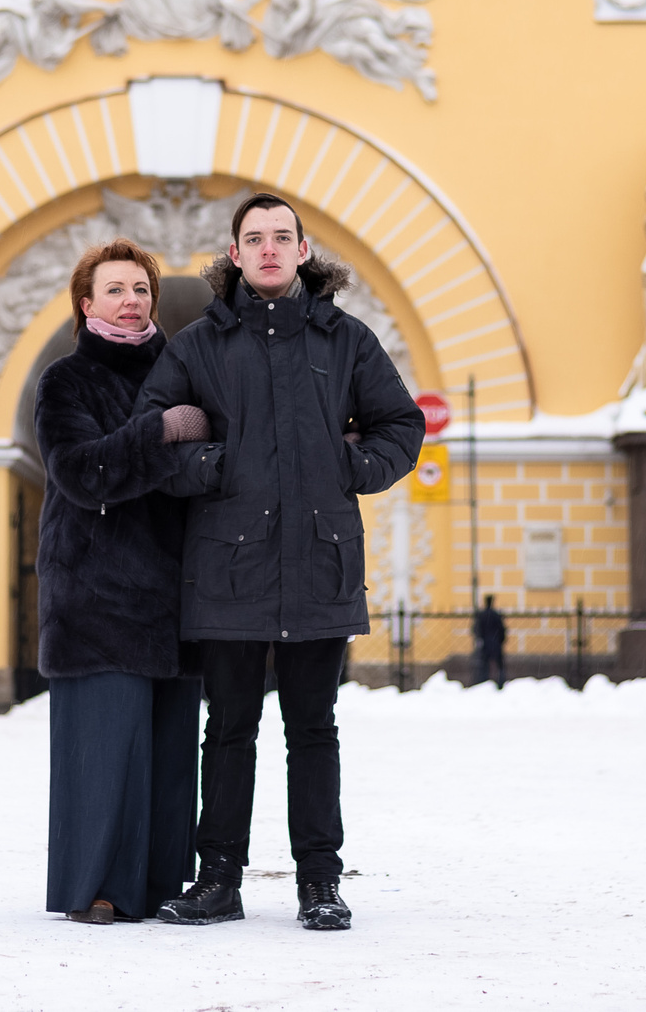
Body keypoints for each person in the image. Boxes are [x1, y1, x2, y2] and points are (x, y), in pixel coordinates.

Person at [138, 192, 423, 933]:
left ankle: (319, 882)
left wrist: (347, 465)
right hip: (228, 564)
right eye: (254, 238)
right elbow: (152, 437)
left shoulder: (346, 340)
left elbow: (402, 423)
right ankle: (219, 880)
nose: (268, 248)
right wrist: (216, 464)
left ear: (302, 250)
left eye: (281, 237)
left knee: (313, 728)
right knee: (228, 728)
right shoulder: (197, 345)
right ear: (234, 255)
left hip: (319, 559)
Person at [34, 239, 223, 925]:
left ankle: (158, 880)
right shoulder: (66, 381)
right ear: (87, 304)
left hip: (174, 599)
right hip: (96, 598)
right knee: (106, 750)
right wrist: (161, 433)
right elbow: (84, 473)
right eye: (115, 288)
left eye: (140, 288)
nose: (132, 299)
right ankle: (99, 886)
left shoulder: (182, 374)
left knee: (171, 758)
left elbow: (210, 466)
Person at [472, 594, 508, 689]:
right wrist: (501, 640)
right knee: (499, 665)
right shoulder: (496, 615)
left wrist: (479, 639)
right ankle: (501, 683)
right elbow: (502, 629)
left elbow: (476, 629)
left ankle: (483, 682)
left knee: (484, 665)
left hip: (485, 643)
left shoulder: (481, 615)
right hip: (496, 642)